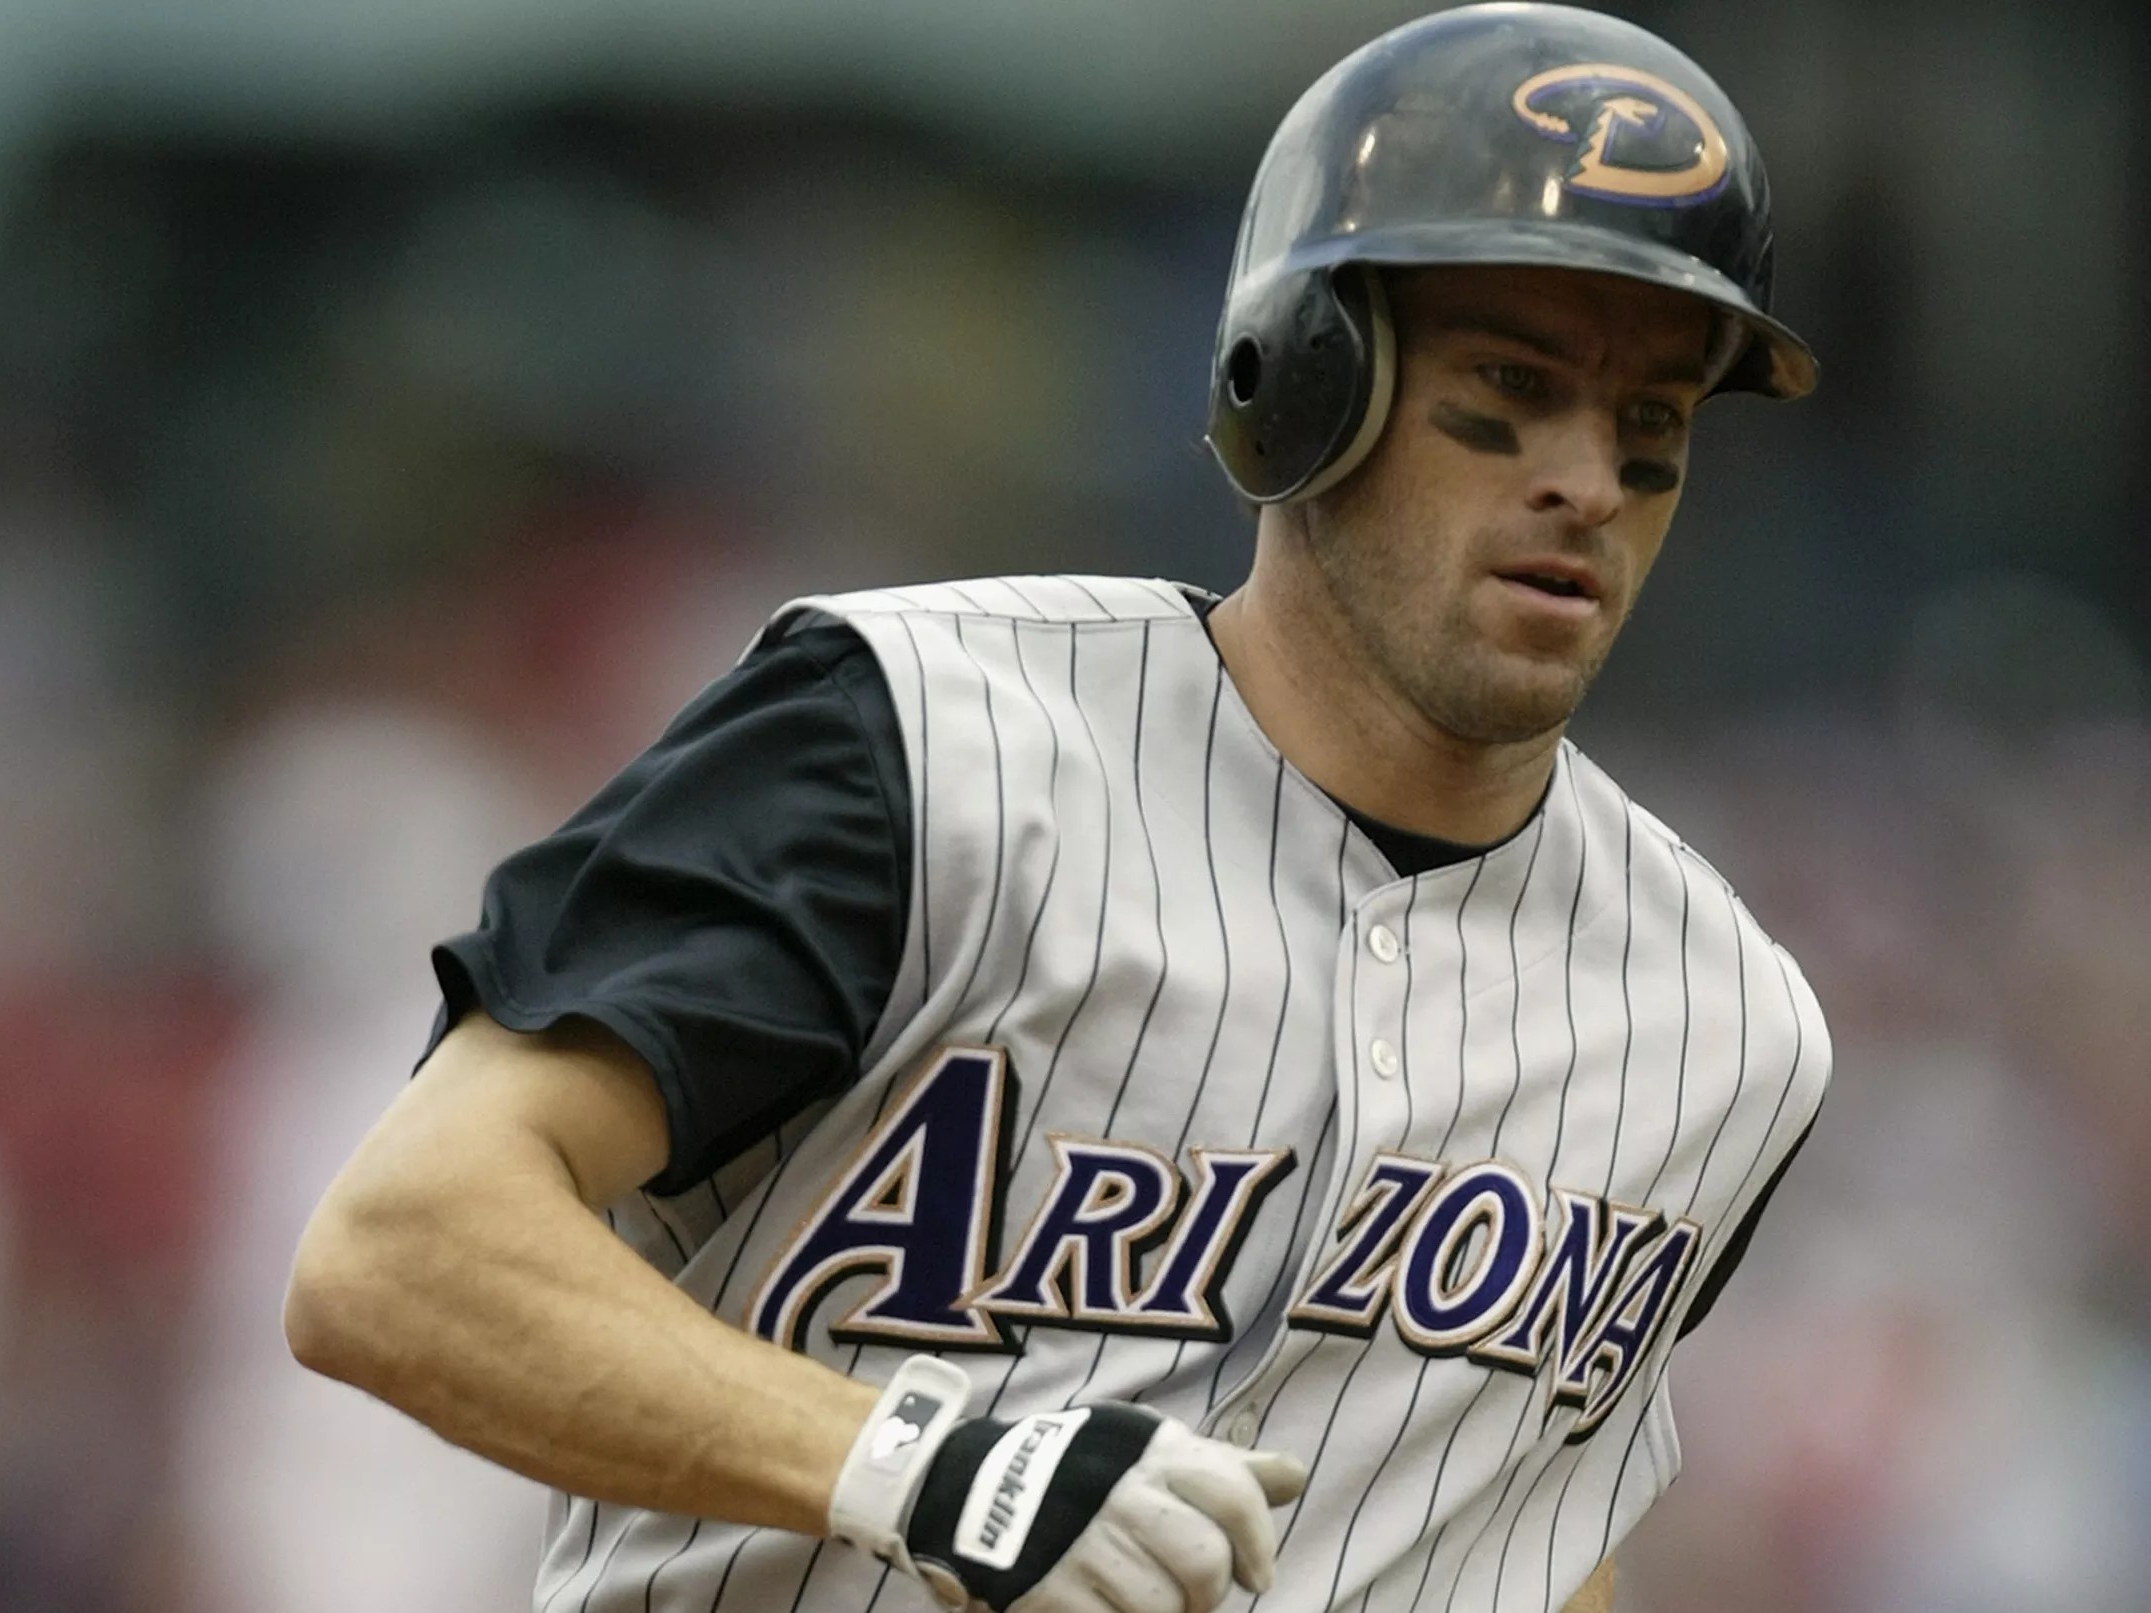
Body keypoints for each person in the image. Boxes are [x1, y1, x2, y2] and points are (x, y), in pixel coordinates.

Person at [284, 7, 1832, 1611]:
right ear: (1305, 382)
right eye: (1511, 386)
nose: (1586, 478)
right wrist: (921, 1464)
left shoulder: (1724, 1026)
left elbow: (1526, 1535)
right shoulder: (918, 743)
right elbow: (399, 1251)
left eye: (1650, 427)